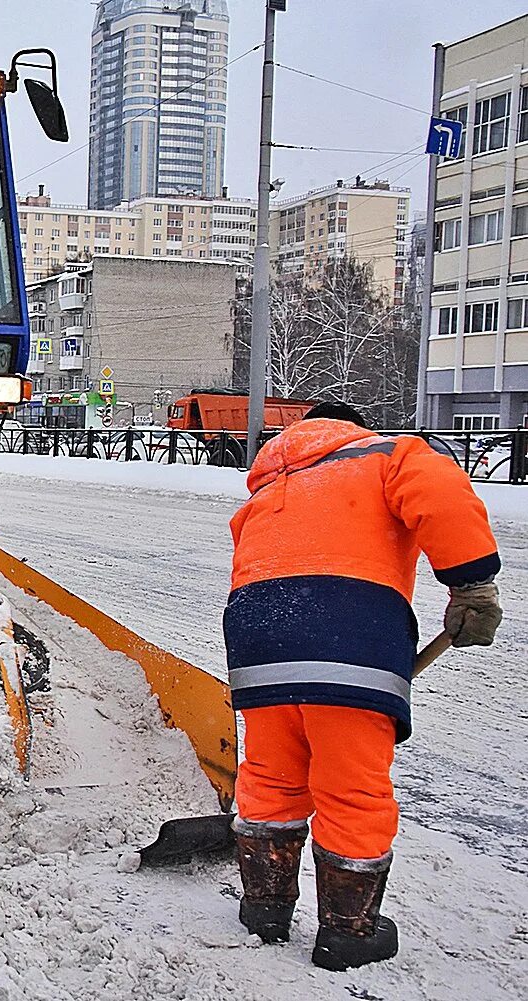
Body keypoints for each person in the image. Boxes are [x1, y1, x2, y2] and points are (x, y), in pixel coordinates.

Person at [223, 401, 502, 971]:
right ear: (353, 427)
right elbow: (442, 493)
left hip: (257, 632)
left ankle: (265, 908)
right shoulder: (385, 454)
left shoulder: (269, 484)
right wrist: (472, 586)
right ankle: (348, 932)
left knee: (272, 771)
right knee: (351, 784)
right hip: (348, 627)